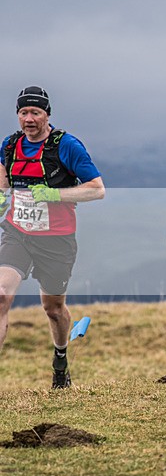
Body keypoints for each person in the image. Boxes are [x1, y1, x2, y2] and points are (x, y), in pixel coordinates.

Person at [0, 86, 105, 389]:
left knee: (53, 308)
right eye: (23, 113)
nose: (29, 119)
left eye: (35, 113)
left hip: (56, 239)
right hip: (17, 233)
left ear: (47, 115)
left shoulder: (67, 146)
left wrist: (54, 194)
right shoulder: (9, 146)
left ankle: (60, 358)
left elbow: (97, 189)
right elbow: (3, 183)